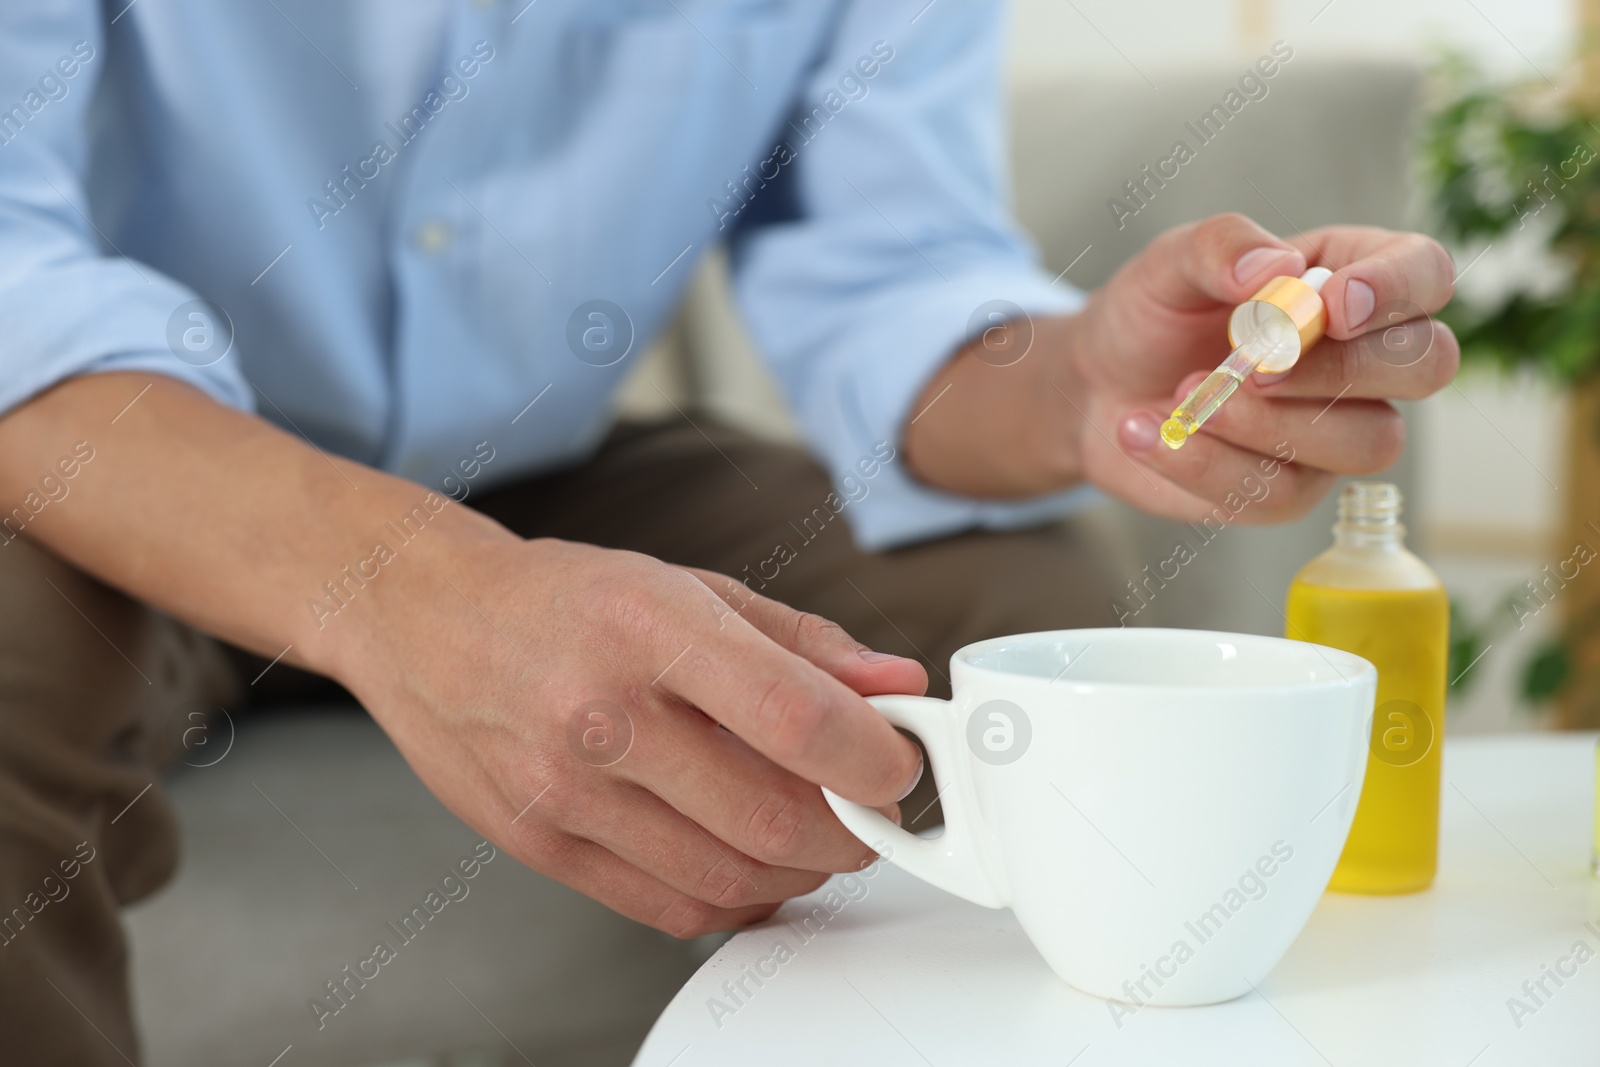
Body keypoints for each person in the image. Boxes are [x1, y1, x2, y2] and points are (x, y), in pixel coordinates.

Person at [0, 1, 1456, 1063]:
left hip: (531, 466)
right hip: (114, 458)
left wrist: (1079, 382)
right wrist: (414, 596)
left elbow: (890, 268)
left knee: (1011, 611)